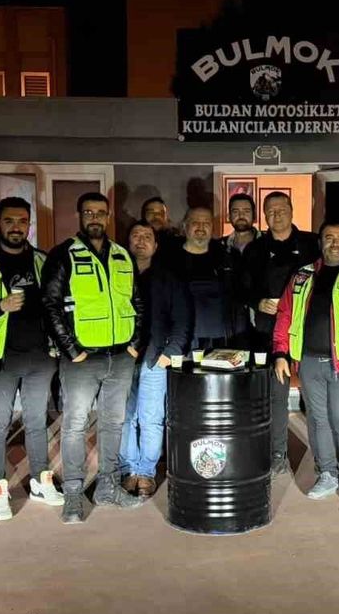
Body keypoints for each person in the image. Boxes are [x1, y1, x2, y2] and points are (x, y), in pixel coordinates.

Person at [41, 192, 145, 524]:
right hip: (82, 360)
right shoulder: (63, 254)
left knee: (113, 423)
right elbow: (50, 305)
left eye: (100, 212)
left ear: (108, 216)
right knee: (74, 425)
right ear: (80, 216)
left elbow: (137, 302)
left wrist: (135, 343)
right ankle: (73, 494)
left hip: (121, 356)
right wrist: (73, 351)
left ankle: (107, 487)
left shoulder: (122, 255)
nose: (95, 218)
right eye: (89, 212)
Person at [273, 222, 339, 506]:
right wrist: (280, 352)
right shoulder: (303, 274)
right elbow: (285, 313)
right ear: (320, 242)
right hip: (309, 362)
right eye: (329, 238)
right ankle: (327, 474)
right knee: (318, 420)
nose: (335, 243)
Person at [0, 196, 63, 522]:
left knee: (37, 421)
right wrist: (0, 307)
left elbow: (55, 304)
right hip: (1, 360)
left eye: (22, 221)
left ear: (29, 224)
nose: (16, 227)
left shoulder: (42, 260)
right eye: (9, 221)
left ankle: (40, 481)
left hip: (39, 357)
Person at [239, 192, 320, 474]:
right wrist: (257, 301)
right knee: (275, 397)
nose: (276, 214)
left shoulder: (312, 243)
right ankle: (278, 455)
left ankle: (326, 459)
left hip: (308, 332)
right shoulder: (255, 249)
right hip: (268, 333)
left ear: (292, 210)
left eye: (281, 209)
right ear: (264, 216)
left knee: (316, 399)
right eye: (270, 211)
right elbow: (242, 288)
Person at [120, 222, 192, 497]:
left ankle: (146, 472)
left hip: (155, 357)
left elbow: (183, 318)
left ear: (156, 245)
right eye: (136, 235)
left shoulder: (168, 278)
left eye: (147, 236)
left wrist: (169, 354)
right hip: (122, 359)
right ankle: (129, 469)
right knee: (124, 418)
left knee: (151, 418)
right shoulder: (118, 274)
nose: (141, 241)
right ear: (128, 242)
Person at [175, 206, 250, 350]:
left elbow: (239, 303)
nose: (201, 228)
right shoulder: (170, 259)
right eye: (195, 222)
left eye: (206, 223)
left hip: (222, 343)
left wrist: (240, 342)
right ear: (185, 226)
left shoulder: (227, 258)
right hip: (181, 343)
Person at [221, 193, 260, 258]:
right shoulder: (220, 247)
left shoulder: (267, 243)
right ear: (229, 216)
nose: (241, 215)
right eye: (235, 211)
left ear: (254, 215)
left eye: (246, 211)